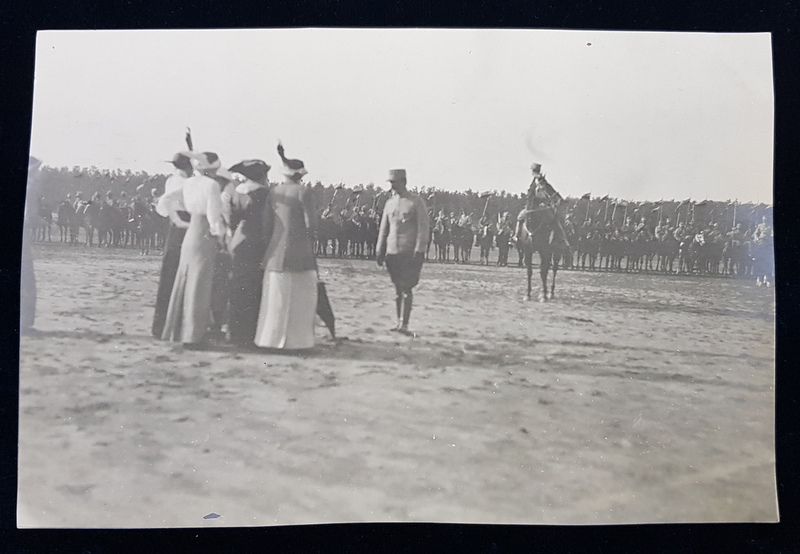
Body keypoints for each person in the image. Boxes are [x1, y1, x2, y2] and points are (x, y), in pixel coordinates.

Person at [254, 143, 318, 350]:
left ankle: (269, 340)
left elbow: (265, 225)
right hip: (300, 254)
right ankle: (298, 343)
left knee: (275, 300)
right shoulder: (304, 192)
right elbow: (311, 225)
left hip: (275, 253)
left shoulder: (274, 192)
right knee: (301, 299)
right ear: (300, 175)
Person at [161, 152, 227, 348]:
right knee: (201, 282)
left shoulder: (188, 183)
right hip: (204, 233)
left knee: (186, 279)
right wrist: (220, 235)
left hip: (191, 232)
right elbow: (214, 216)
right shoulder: (212, 185)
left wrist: (177, 220)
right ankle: (195, 334)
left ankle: (179, 330)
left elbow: (165, 201)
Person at [223, 159, 272, 346]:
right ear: (261, 176)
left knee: (237, 284)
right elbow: (268, 221)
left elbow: (230, 218)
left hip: (238, 239)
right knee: (254, 286)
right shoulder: (264, 193)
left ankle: (234, 331)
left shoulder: (237, 191)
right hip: (257, 240)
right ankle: (249, 333)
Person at [376, 169, 429, 335]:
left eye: (395, 183)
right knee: (398, 289)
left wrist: (420, 249)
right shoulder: (389, 203)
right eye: (391, 183)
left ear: (403, 182)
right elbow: (384, 228)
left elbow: (423, 228)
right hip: (392, 252)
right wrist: (379, 248)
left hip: (409, 252)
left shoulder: (415, 202)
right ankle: (399, 322)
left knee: (407, 288)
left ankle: (404, 324)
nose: (392, 186)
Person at [151, 151, 193, 338]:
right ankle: (176, 326)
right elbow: (166, 200)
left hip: (175, 226)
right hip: (184, 223)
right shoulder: (185, 183)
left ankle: (162, 326)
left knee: (170, 273)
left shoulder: (172, 180)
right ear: (188, 166)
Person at [21, 156, 43, 334]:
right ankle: (24, 321)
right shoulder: (29, 187)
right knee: (26, 276)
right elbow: (29, 217)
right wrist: (38, 221)